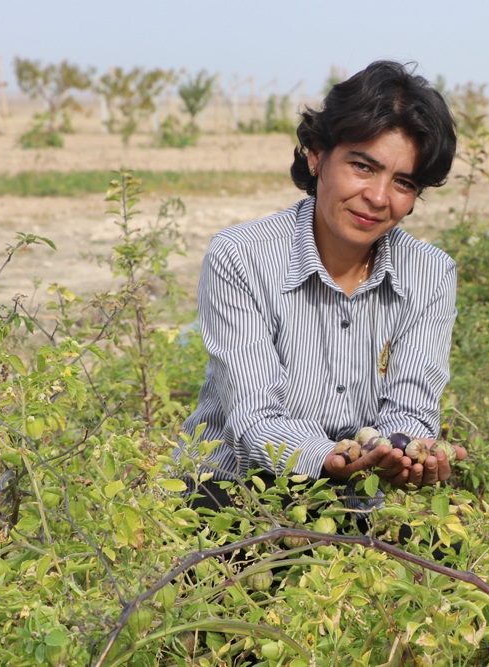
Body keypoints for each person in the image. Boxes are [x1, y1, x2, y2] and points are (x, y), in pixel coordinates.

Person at [177, 61, 466, 513]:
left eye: (403, 182)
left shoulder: (430, 273)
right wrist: (326, 459)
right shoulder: (242, 256)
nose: (378, 197)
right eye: (362, 166)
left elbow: (411, 407)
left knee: (444, 559)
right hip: (233, 485)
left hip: (358, 493)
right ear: (316, 153)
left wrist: (403, 453)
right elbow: (254, 421)